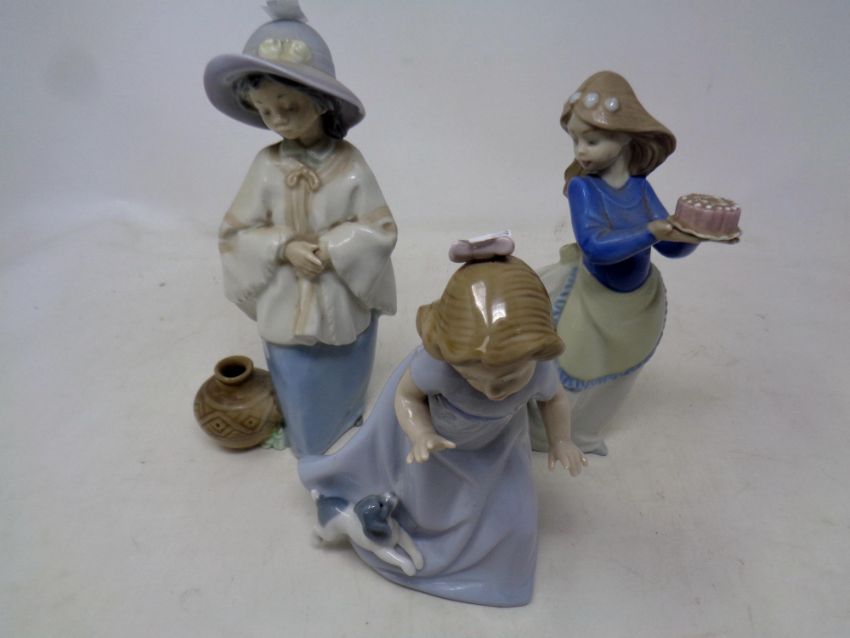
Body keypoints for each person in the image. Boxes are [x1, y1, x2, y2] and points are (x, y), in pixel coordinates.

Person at [299, 241, 586, 607]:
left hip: (497, 451)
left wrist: (561, 440)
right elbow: (407, 397)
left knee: (515, 520)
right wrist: (421, 434)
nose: (492, 391)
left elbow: (554, 400)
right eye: (473, 377)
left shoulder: (539, 370)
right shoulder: (439, 368)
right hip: (439, 451)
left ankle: (500, 578)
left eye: (509, 378)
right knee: (428, 514)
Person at [204, 1, 397, 456]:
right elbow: (234, 233)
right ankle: (305, 435)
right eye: (265, 110)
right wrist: (283, 247)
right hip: (287, 295)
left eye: (288, 105)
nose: (278, 119)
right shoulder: (266, 166)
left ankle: (346, 415)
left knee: (345, 358)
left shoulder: (349, 164)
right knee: (294, 367)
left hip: (338, 290)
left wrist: (333, 249)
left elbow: (381, 228)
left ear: (321, 101)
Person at [529, 71, 701, 456]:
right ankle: (546, 433)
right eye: (575, 140)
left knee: (620, 371)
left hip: (637, 301)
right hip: (591, 297)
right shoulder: (583, 188)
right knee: (570, 363)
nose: (580, 151)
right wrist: (651, 232)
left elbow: (669, 248)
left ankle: (585, 430)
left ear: (624, 137)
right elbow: (595, 246)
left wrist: (691, 235)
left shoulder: (640, 187)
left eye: (591, 140)